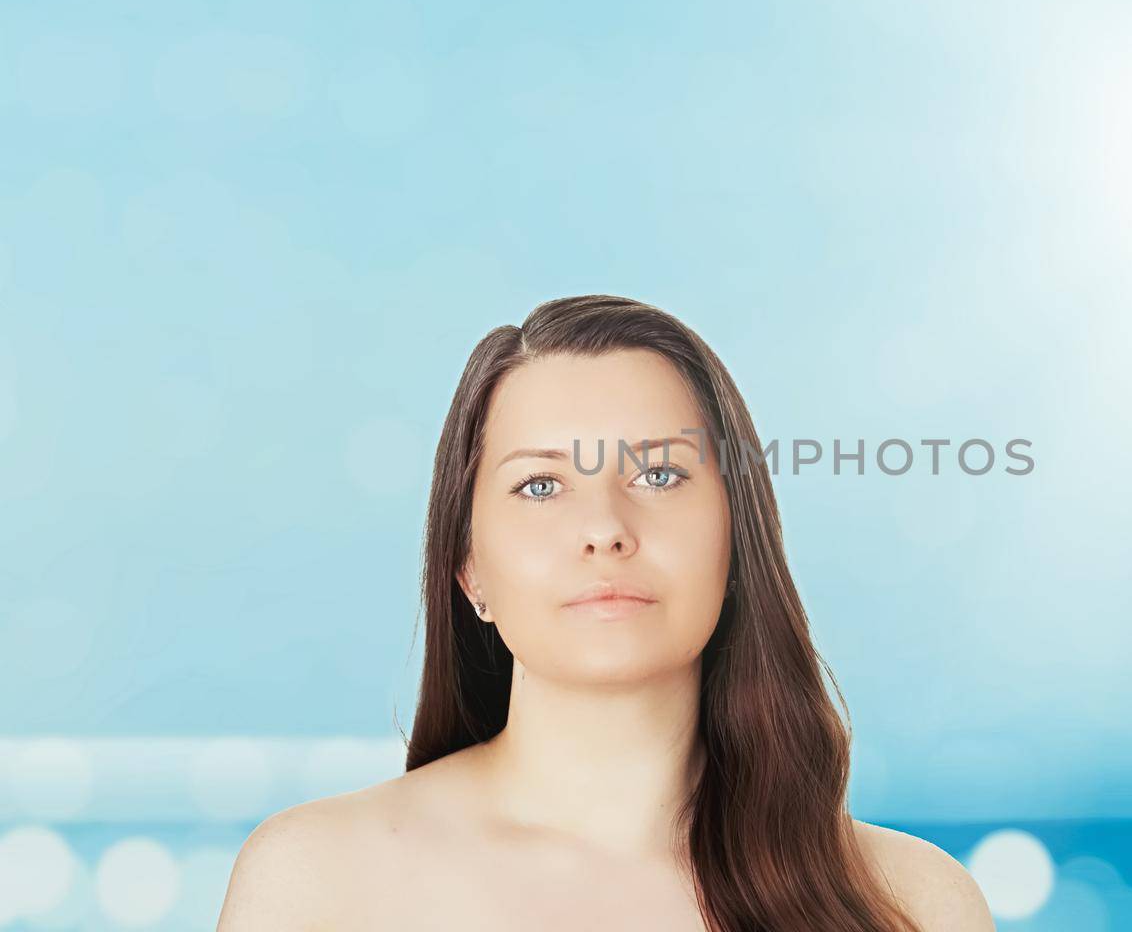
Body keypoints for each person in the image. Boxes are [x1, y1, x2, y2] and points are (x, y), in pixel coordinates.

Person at [216, 294, 994, 931]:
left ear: (736, 537)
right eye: (541, 487)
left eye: (659, 475)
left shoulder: (910, 903)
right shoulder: (316, 882)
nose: (605, 531)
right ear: (468, 567)